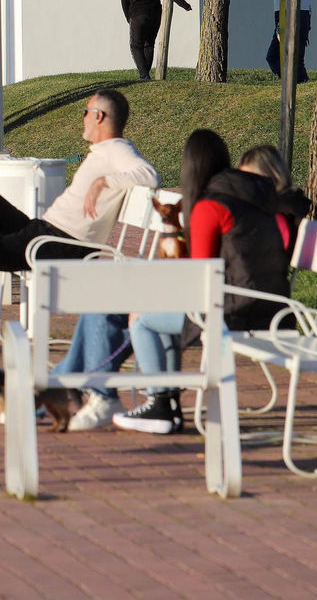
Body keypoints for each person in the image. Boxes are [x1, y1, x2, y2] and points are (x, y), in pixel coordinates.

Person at [0, 89, 159, 394]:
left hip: (59, 245)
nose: (83, 119)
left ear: (99, 116)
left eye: (85, 112)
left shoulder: (117, 149)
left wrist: (105, 181)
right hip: (45, 232)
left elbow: (149, 174)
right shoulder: (104, 151)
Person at [113, 131, 299, 434]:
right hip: (273, 307)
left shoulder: (210, 206)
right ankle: (167, 407)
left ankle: (161, 403)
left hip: (236, 311)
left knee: (142, 320)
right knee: (159, 315)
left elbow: (199, 276)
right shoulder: (257, 199)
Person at [266, 0, 311, 81]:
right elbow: (308, 8)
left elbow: (279, 9)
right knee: (299, 58)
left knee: (272, 56)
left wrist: (279, 30)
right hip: (303, 21)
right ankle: (302, 80)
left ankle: (288, 78)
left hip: (288, 20)